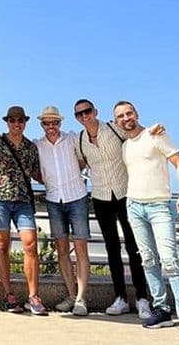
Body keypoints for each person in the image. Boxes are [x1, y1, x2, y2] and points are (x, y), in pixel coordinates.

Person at [113, 101, 179, 342]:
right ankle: (162, 310)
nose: (126, 118)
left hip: (159, 206)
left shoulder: (155, 135)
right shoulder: (125, 146)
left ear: (137, 113)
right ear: (117, 121)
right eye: (120, 116)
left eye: (128, 113)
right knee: (148, 260)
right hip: (134, 206)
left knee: (170, 261)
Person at [72, 98, 152, 319]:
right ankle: (120, 298)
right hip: (100, 198)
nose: (84, 116)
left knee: (134, 248)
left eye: (87, 111)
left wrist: (154, 130)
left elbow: (138, 135)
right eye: (79, 114)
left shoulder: (114, 129)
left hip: (126, 194)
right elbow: (78, 164)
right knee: (112, 249)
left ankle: (142, 298)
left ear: (95, 111)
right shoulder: (79, 140)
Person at [0, 106, 48, 315]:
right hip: (1, 200)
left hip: (23, 201)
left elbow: (38, 173)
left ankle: (34, 296)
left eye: (20, 120)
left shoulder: (30, 147)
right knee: (2, 246)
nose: (16, 124)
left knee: (30, 245)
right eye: (12, 120)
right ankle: (8, 294)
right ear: (7, 122)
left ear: (25, 122)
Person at [33, 106, 90, 316]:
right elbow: (35, 170)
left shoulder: (73, 139)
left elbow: (85, 159)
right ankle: (71, 294)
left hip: (77, 197)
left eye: (54, 123)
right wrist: (47, 181)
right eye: (47, 123)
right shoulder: (37, 145)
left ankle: (81, 299)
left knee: (81, 248)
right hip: (53, 200)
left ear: (60, 123)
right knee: (62, 250)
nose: (51, 127)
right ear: (42, 125)